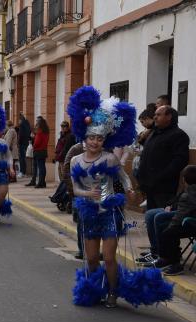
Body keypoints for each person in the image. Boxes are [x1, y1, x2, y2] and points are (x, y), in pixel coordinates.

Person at [68, 86, 137, 308]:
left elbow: (123, 176)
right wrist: (87, 193)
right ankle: (95, 289)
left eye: (99, 138)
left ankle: (113, 291)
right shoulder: (75, 161)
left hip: (109, 212)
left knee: (108, 257)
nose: (95, 142)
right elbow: (76, 189)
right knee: (91, 258)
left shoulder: (109, 158)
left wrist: (128, 189)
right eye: (91, 138)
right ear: (84, 138)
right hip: (89, 213)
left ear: (103, 140)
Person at [137, 105, 189, 210]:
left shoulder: (178, 135)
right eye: (155, 115)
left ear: (169, 116)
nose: (155, 117)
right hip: (149, 186)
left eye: (158, 115)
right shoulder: (154, 133)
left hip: (163, 188)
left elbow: (180, 161)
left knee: (161, 219)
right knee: (151, 218)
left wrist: (160, 177)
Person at [155, 165, 196, 276]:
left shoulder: (187, 195)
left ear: (184, 179)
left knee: (168, 233)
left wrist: (169, 228)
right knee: (164, 224)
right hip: (191, 219)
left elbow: (179, 217)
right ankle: (166, 258)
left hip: (192, 223)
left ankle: (175, 263)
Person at [63, 140, 86, 259]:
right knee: (80, 221)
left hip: (99, 196)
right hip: (79, 194)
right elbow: (66, 169)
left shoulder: (105, 151)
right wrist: (72, 189)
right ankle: (82, 249)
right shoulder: (75, 149)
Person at [26, 116, 49, 188]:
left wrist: (34, 146)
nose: (36, 124)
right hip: (44, 150)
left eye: (38, 122)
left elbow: (37, 142)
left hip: (38, 151)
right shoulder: (46, 131)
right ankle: (42, 182)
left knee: (39, 167)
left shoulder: (40, 132)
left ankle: (40, 182)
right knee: (42, 167)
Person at [18, 113, 31, 177]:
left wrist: (18, 143)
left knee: (22, 158)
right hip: (26, 143)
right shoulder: (27, 124)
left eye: (19, 120)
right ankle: (25, 172)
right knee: (24, 158)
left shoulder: (22, 125)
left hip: (22, 144)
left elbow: (21, 135)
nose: (18, 122)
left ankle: (22, 171)